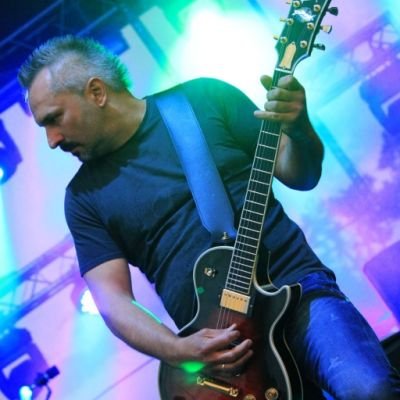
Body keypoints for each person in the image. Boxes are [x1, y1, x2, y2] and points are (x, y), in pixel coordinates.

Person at [18, 35, 400, 399]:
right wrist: (179, 349)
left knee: (370, 391)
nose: (52, 140)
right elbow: (112, 300)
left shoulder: (203, 99)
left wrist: (299, 127)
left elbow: (300, 174)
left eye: (54, 118)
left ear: (96, 92)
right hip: (224, 358)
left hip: (296, 292)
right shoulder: (83, 199)